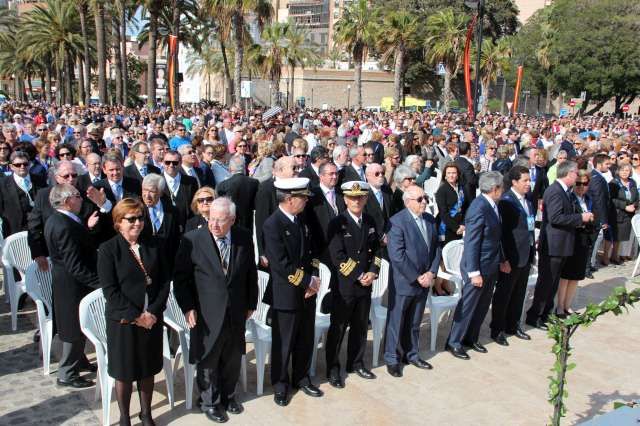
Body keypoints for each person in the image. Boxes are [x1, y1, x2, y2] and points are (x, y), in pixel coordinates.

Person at [174, 197, 258, 422]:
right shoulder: (192, 240)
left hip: (236, 310)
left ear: (232, 219)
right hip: (206, 313)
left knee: (232, 356)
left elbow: (250, 271)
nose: (214, 225)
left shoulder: (242, 237)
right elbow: (181, 280)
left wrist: (251, 302)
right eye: (211, 219)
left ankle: (229, 396)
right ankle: (209, 402)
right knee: (208, 359)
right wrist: (188, 307)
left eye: (221, 221)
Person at [98, 198, 170, 426]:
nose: (138, 223)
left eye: (141, 218)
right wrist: (138, 316)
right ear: (119, 222)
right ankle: (124, 417)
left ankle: (146, 413)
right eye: (132, 219)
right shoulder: (109, 249)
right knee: (125, 372)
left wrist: (153, 312)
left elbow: (163, 283)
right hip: (124, 321)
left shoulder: (153, 245)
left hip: (152, 319)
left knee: (147, 368)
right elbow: (110, 291)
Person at [262, 177, 322, 406]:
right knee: (283, 342)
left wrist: (313, 278)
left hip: (307, 291)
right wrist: (307, 281)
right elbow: (280, 263)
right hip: (286, 292)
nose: (306, 201)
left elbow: (312, 251)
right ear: (289, 199)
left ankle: (302, 377)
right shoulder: (272, 224)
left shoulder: (302, 220)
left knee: (305, 337)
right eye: (302, 198)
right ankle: (280, 384)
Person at [325, 181, 381, 388]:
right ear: (345, 199)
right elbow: (337, 256)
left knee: (359, 327)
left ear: (366, 198)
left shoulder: (370, 220)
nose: (356, 201)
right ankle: (333, 368)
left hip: (365, 284)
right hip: (345, 286)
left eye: (360, 197)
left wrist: (373, 272)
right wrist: (359, 275)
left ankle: (356, 362)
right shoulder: (337, 223)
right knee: (338, 329)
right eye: (351, 197)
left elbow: (376, 251)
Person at [45, 184, 100, 388]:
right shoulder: (63, 225)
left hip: (69, 283)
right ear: (68, 201)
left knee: (77, 327)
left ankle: (80, 361)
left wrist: (87, 228)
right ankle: (67, 372)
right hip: (72, 287)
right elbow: (75, 265)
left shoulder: (59, 220)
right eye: (77, 196)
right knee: (73, 329)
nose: (81, 199)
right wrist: (99, 283)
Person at [526, 161, 593, 329]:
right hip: (553, 245)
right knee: (546, 283)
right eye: (576, 174)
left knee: (553, 283)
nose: (577, 177)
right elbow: (555, 218)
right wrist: (580, 218)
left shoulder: (565, 191)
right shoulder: (555, 191)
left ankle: (545, 314)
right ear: (569, 174)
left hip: (562, 245)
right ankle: (535, 316)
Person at [447, 171, 506, 360]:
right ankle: (454, 341)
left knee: (482, 305)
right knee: (468, 305)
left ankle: (470, 338)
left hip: (491, 264)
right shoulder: (478, 207)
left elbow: (496, 238)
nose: (503, 190)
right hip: (477, 267)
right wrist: (474, 272)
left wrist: (502, 259)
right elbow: (472, 242)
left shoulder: (494, 206)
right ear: (495, 189)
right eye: (502, 187)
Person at [384, 185, 441, 376]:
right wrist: (417, 277)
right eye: (420, 199)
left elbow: (436, 249)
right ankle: (392, 358)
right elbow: (397, 256)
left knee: (415, 321)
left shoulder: (430, 220)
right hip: (405, 282)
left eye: (425, 198)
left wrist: (432, 273)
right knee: (397, 321)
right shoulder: (397, 222)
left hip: (425, 280)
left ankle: (412, 353)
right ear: (408, 202)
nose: (424, 201)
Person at [490, 166, 535, 346]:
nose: (528, 184)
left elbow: (529, 228)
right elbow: (500, 234)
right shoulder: (507, 201)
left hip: (525, 254)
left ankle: (513, 324)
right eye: (524, 180)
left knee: (519, 292)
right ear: (514, 182)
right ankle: (497, 328)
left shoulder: (528, 200)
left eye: (529, 180)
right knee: (504, 294)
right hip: (511, 256)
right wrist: (503, 259)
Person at [556, 170, 598, 317]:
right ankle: (560, 306)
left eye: (585, 183)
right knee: (566, 275)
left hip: (584, 241)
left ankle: (568, 305)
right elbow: (566, 218)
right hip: (571, 240)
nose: (581, 186)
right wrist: (581, 220)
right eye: (578, 183)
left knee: (576, 276)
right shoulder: (570, 198)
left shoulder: (588, 199)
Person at [254, 156, 297, 269]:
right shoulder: (266, 189)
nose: (297, 171)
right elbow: (260, 222)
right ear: (281, 170)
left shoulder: (295, 186)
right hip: (274, 247)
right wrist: (262, 252)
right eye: (293, 168)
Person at [140, 174, 181, 274]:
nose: (147, 195)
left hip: (167, 267)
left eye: (152, 191)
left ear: (161, 193)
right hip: (143, 268)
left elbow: (175, 240)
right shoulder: (136, 209)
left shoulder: (172, 211)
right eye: (145, 190)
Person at [0, 151, 44, 236]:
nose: (22, 167)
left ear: (30, 164)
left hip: (38, 231)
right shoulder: (2, 184)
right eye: (18, 165)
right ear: (11, 166)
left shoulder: (40, 180)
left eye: (25, 164)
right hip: (14, 231)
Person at [215, 155, 259, 232]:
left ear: (230, 168)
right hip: (248, 220)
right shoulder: (254, 182)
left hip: (230, 221)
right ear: (244, 167)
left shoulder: (222, 185)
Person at [608, 163, 639, 264]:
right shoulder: (614, 182)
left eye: (627, 170)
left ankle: (621, 255)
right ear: (618, 171)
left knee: (625, 237)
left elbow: (636, 197)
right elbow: (611, 199)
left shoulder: (632, 182)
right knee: (617, 236)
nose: (625, 172)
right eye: (622, 170)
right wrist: (624, 206)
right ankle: (614, 256)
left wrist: (634, 205)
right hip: (618, 213)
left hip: (630, 214)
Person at [162, 150, 198, 231]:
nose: (171, 165)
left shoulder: (191, 182)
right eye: (167, 162)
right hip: (165, 229)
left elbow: (195, 206)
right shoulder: (157, 181)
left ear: (180, 163)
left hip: (187, 228)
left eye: (175, 163)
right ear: (163, 163)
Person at [587, 153, 612, 265]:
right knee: (594, 240)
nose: (608, 166)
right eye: (606, 164)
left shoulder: (597, 176)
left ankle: (590, 263)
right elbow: (599, 200)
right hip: (596, 215)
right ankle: (589, 264)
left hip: (597, 214)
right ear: (599, 164)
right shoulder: (596, 178)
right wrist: (603, 219)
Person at [435, 162, 466, 247]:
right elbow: (443, 213)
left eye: (454, 173)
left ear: (458, 175)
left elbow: (465, 207)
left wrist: (463, 224)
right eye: (449, 173)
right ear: (445, 175)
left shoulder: (460, 187)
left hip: (462, 225)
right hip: (449, 228)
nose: (451, 175)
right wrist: (456, 228)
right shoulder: (442, 191)